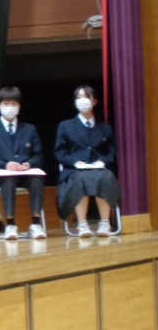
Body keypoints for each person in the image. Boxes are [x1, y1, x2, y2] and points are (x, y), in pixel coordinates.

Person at [0, 86, 46, 240]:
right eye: (6, 104)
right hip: (1, 175)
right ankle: (10, 225)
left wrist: (29, 164)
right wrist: (5, 165)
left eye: (14, 104)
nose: (10, 107)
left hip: (25, 174)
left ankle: (36, 224)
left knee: (37, 179)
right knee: (8, 179)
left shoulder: (30, 129)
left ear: (19, 106)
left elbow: (39, 155)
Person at [54, 85, 121, 237]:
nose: (82, 101)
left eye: (86, 97)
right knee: (81, 179)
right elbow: (60, 153)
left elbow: (112, 153)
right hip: (75, 170)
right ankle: (82, 224)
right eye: (78, 97)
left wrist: (103, 162)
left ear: (95, 101)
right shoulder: (65, 126)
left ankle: (105, 223)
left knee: (104, 178)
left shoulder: (105, 127)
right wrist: (75, 162)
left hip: (99, 168)